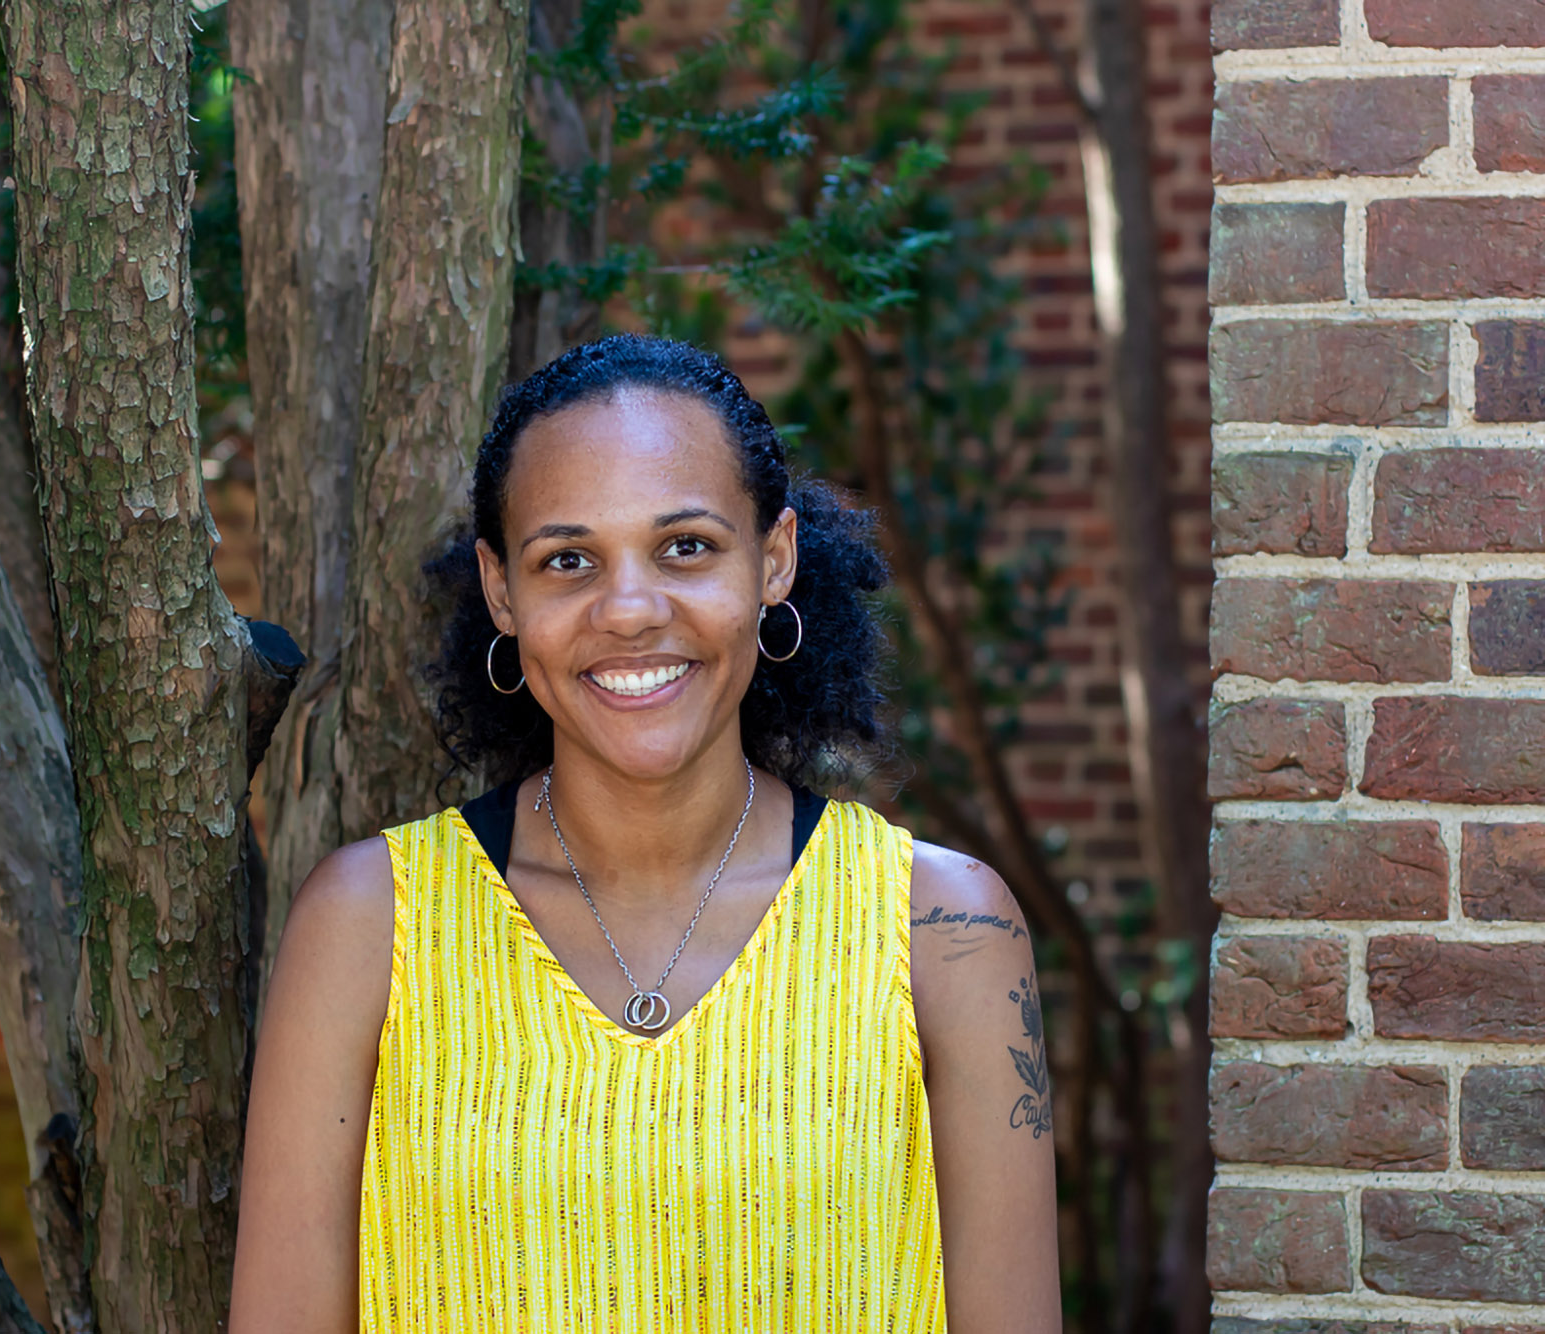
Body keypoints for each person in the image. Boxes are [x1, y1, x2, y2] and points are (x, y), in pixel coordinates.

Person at [231, 334, 1060, 1332]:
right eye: (567, 559)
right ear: (503, 592)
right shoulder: (368, 927)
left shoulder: (944, 929)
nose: (628, 609)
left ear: (774, 560)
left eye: (685, 547)